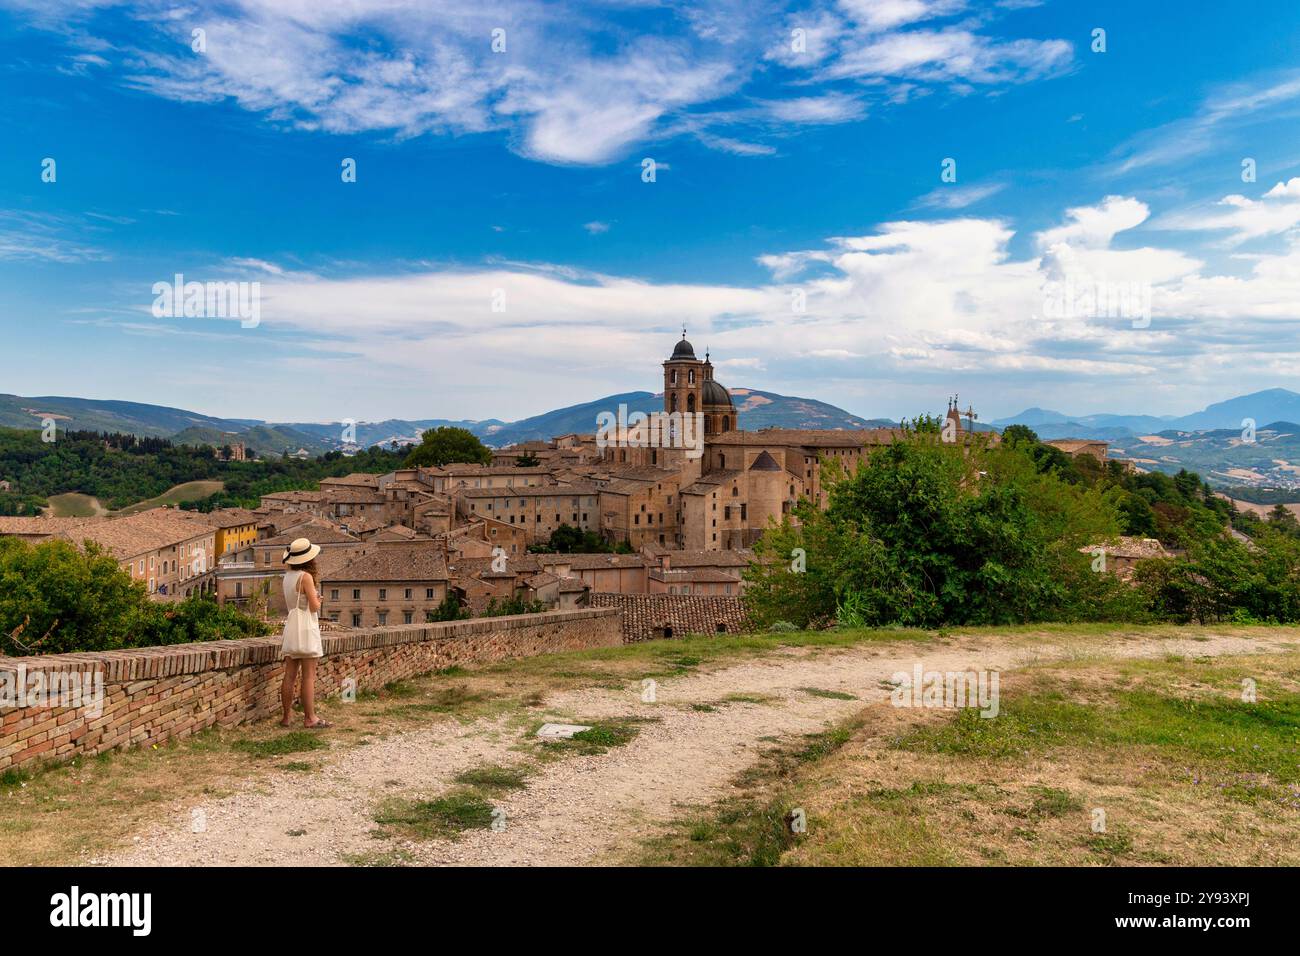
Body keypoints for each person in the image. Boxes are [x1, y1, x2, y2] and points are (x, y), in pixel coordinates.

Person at [280, 537, 330, 729]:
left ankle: (286, 716)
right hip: (306, 626)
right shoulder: (306, 577)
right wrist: (319, 599)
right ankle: (310, 718)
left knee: (289, 674)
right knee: (309, 675)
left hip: (292, 624)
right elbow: (314, 607)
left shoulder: (287, 577)